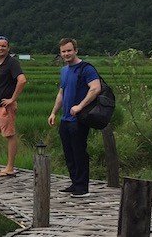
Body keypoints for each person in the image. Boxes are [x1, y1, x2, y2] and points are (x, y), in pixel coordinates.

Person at [48, 38, 101, 198]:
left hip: (79, 118)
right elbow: (61, 93)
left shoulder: (86, 68)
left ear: (76, 50)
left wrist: (80, 106)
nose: (66, 54)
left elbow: (95, 88)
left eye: (69, 50)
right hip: (65, 119)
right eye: (63, 51)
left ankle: (82, 187)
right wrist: (53, 112)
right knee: (68, 152)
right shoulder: (64, 70)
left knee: (79, 152)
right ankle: (75, 182)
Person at [0, 35, 27, 177]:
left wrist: (12, 99)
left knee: (9, 135)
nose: (0, 48)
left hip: (4, 107)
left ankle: (9, 167)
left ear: (8, 48)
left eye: (3, 46)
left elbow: (22, 80)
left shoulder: (12, 63)